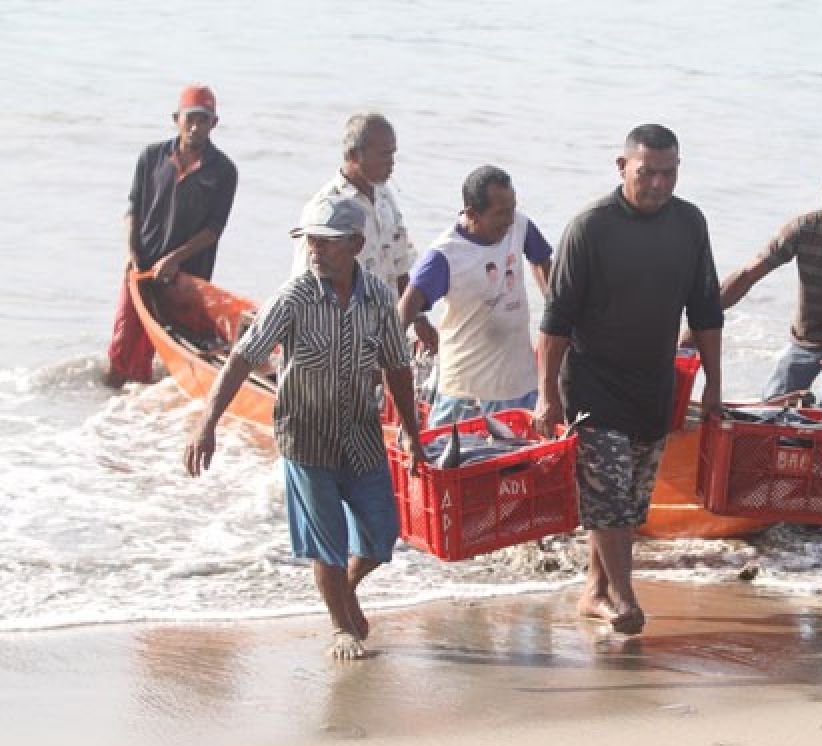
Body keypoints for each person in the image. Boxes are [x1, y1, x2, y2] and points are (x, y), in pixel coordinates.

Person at [184, 197, 425, 660]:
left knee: (382, 533)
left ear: (355, 244)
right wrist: (207, 422)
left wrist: (412, 434)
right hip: (305, 437)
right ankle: (342, 628)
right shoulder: (293, 297)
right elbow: (242, 359)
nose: (315, 250)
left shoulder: (377, 297)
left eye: (326, 242)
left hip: (360, 433)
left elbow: (397, 367)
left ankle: (345, 589)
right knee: (326, 544)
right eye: (310, 240)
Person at [536, 124, 724, 635]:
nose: (660, 184)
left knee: (633, 500)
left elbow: (706, 310)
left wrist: (714, 389)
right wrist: (547, 395)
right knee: (608, 497)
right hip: (593, 384)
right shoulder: (590, 227)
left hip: (654, 385)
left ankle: (595, 591)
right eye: (648, 173)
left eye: (670, 173)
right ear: (622, 167)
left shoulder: (689, 223)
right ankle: (624, 597)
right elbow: (554, 322)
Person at [693, 165, 822, 409]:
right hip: (806, 340)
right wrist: (698, 325)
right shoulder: (804, 229)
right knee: (770, 406)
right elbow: (748, 275)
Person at [103, 84, 238, 388]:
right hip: (142, 270)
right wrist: (133, 255)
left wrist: (174, 260)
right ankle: (115, 413)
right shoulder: (152, 157)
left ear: (213, 124)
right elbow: (133, 211)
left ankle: (164, 414)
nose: (196, 126)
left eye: (204, 120)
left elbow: (213, 231)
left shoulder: (224, 171)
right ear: (176, 118)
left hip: (187, 278)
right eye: (190, 118)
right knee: (122, 349)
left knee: (185, 353)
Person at [398, 166, 553, 426]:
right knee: (451, 460)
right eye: (500, 213)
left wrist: (553, 305)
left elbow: (541, 261)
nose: (509, 220)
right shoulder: (446, 255)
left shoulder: (520, 226)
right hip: (466, 393)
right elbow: (404, 311)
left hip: (520, 385)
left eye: (512, 209)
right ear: (471, 214)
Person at [292, 112, 437, 351]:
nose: (392, 162)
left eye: (393, 154)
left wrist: (418, 318)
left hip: (384, 333)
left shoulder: (384, 196)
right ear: (353, 156)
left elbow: (400, 266)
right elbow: (307, 285)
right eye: (384, 155)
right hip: (340, 339)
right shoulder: (326, 210)